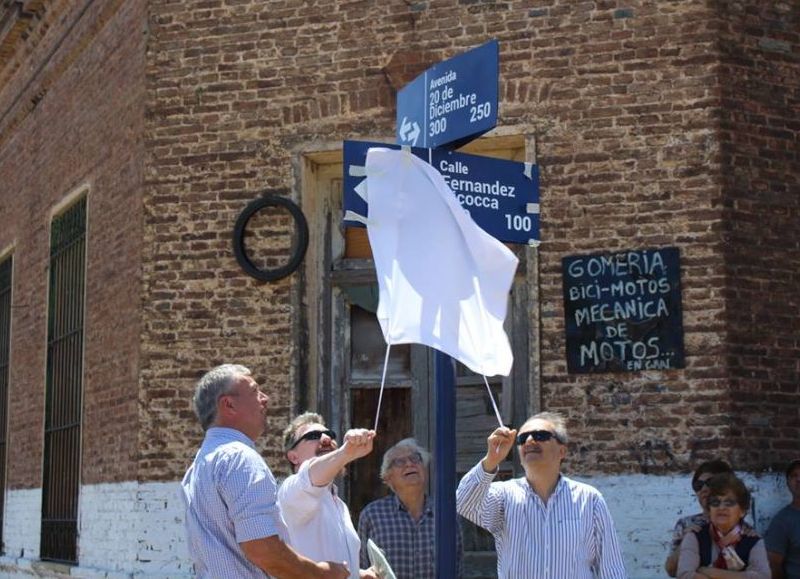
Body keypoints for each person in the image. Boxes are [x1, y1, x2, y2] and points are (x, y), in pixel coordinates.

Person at [180, 364, 348, 579]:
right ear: (228, 404)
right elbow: (262, 549)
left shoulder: (199, 464)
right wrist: (321, 574)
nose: (265, 398)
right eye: (254, 391)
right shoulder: (240, 458)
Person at [456, 411, 626, 579]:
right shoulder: (503, 496)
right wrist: (491, 460)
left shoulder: (589, 499)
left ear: (562, 451)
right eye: (522, 439)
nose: (530, 441)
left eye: (540, 435)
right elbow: (463, 502)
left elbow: (611, 568)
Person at [278, 412, 379, 579]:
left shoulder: (339, 504)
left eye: (330, 434)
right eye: (313, 436)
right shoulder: (290, 490)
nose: (325, 438)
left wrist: (360, 575)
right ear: (293, 456)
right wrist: (346, 453)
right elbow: (309, 476)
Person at [357, 438, 463, 579]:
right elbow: (362, 568)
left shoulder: (446, 514)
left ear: (424, 469)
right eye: (399, 462)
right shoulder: (372, 515)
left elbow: (458, 570)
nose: (409, 464)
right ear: (388, 478)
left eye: (415, 458)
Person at [676, 472, 770, 579]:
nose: (721, 508)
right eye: (715, 503)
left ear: (742, 511)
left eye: (729, 503)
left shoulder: (753, 540)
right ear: (709, 509)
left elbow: (763, 577)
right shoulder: (695, 536)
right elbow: (685, 575)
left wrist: (710, 572)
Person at [665, 460, 737, 576]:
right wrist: (686, 542)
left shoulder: (738, 523)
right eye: (698, 485)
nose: (703, 489)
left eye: (710, 483)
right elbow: (671, 570)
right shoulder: (686, 524)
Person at [765, 459, 800, 579]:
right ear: (788, 483)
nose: (799, 479)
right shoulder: (782, 521)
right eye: (794, 476)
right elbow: (774, 565)